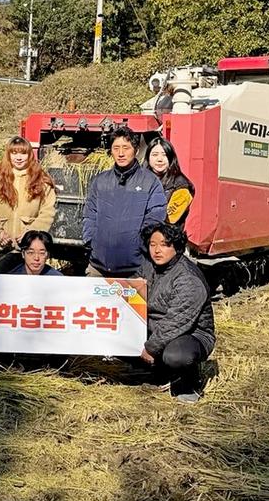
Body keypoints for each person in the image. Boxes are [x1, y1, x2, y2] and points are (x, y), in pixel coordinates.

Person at [137, 222, 215, 403]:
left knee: (176, 356)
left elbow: (177, 321)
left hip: (191, 334)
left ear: (177, 247)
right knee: (118, 336)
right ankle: (158, 372)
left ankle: (188, 383)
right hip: (155, 327)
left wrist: (151, 347)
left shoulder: (188, 278)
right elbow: (131, 290)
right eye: (152, 244)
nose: (157, 250)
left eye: (164, 245)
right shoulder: (148, 267)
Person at [82, 126, 166, 278]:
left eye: (126, 148)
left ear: (136, 150)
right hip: (98, 267)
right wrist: (92, 242)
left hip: (135, 270)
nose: (121, 153)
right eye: (116, 148)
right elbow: (89, 215)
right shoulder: (100, 181)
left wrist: (138, 246)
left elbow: (155, 220)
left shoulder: (150, 182)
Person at [0, 136, 57, 274]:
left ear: (29, 155)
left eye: (23, 153)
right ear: (8, 155)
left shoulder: (41, 181)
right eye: (14, 153)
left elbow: (48, 211)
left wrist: (31, 232)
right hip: (1, 249)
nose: (19, 157)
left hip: (29, 250)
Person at [146, 136, 195, 229]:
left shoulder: (181, 186)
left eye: (164, 155)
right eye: (155, 155)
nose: (159, 159)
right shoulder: (141, 179)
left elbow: (170, 219)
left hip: (166, 235)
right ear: (148, 158)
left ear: (171, 158)